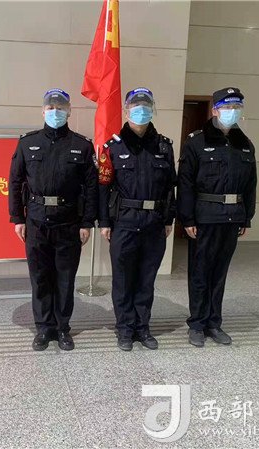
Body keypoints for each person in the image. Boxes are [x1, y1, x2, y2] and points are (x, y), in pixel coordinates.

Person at [9, 88, 98, 351]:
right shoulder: (28, 143)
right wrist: (17, 218)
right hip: (36, 221)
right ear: (43, 111)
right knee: (40, 277)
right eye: (50, 108)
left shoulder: (82, 145)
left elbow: (91, 187)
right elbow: (15, 182)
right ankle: (43, 328)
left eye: (60, 108)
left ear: (69, 111)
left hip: (69, 222)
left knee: (65, 279)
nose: (55, 112)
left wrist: (87, 222)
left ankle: (62, 328)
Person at [177, 87, 257, 347]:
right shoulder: (196, 141)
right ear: (215, 110)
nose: (232, 112)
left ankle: (214, 323)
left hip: (232, 218)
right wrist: (187, 219)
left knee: (219, 273)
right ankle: (197, 324)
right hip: (205, 218)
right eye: (227, 107)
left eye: (237, 107)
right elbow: (185, 183)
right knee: (200, 273)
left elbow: (251, 184)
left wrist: (247, 217)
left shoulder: (244, 144)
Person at [98, 87, 176, 351]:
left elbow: (170, 187)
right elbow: (103, 188)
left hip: (154, 223)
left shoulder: (164, 146)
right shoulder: (112, 147)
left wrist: (169, 219)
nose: (141, 110)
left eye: (146, 105)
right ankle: (124, 329)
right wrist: (104, 222)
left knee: (146, 279)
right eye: (135, 105)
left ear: (153, 109)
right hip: (124, 223)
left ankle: (142, 328)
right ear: (126, 110)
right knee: (123, 280)